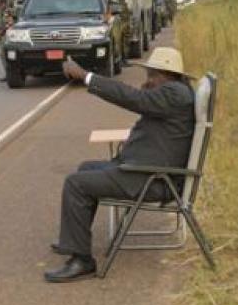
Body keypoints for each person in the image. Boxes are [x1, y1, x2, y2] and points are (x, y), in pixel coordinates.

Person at [43, 47, 195, 282]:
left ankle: (82, 261)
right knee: (86, 168)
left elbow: (132, 98)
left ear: (166, 74)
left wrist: (86, 76)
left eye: (151, 75)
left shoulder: (174, 94)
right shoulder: (175, 93)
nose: (148, 80)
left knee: (76, 184)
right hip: (147, 171)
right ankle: (74, 241)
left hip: (150, 179)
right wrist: (150, 92)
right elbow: (145, 105)